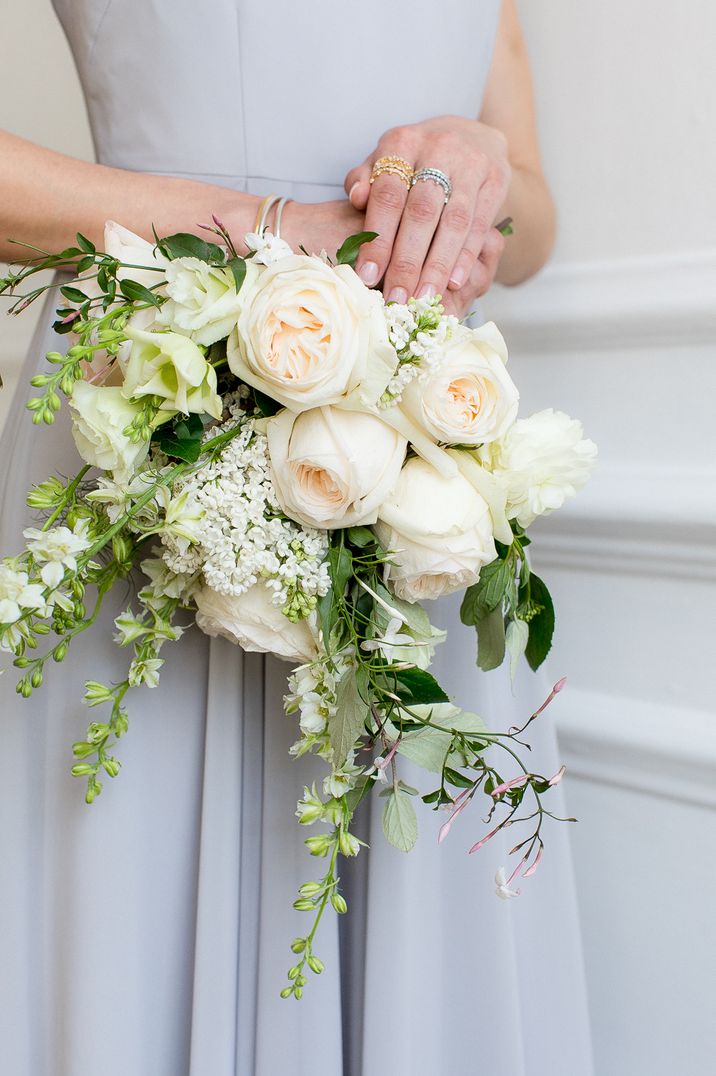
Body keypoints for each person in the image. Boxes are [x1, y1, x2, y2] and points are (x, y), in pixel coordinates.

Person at [0, 2, 593, 1073]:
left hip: (427, 445)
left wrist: (482, 167)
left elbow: (536, 225)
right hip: (158, 386)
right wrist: (257, 223)